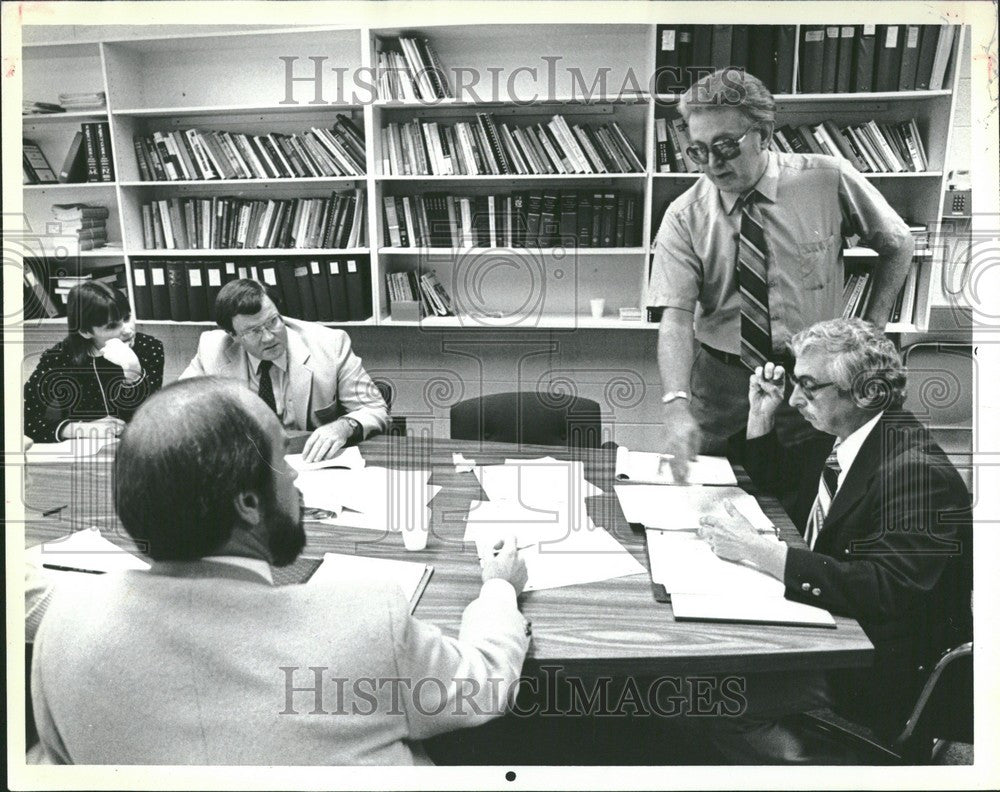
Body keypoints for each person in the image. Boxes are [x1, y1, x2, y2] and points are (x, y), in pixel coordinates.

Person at [30, 377, 531, 765]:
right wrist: (499, 590)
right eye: (282, 461)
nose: (294, 477)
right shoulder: (365, 620)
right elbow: (482, 683)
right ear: (248, 504)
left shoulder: (66, 620)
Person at [698, 318, 972, 762]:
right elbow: (785, 486)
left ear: (867, 392)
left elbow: (887, 589)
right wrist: (759, 417)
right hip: (837, 632)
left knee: (719, 700)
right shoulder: (855, 434)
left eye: (809, 385)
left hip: (879, 671)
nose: (794, 398)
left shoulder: (919, 475)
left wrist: (760, 552)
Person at [648, 68, 914, 484]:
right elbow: (676, 318)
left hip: (815, 379)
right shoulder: (684, 215)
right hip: (722, 383)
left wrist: (872, 329)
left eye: (725, 146)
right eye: (698, 151)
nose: (713, 165)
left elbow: (898, 244)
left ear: (765, 135)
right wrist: (675, 405)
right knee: (712, 495)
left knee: (805, 492)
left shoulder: (827, 178)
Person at [180, 278, 389, 463]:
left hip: (311, 463)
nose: (269, 337)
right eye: (253, 331)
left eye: (273, 322)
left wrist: (343, 427)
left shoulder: (329, 344)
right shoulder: (212, 348)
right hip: (246, 462)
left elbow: (375, 408)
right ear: (233, 335)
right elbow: (174, 409)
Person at [23, 281, 164, 442]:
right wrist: (80, 428)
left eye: (127, 317)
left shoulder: (149, 347)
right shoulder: (59, 358)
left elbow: (152, 420)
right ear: (85, 331)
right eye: (112, 326)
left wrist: (133, 372)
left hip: (137, 447)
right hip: (84, 449)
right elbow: (20, 419)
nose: (127, 329)